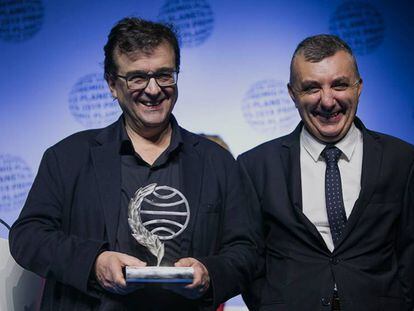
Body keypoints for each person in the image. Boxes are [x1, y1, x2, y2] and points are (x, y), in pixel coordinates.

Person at [9, 17, 256, 310]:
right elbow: (28, 236)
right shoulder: (68, 157)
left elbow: (248, 250)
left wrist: (210, 273)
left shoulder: (217, 162)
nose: (153, 90)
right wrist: (94, 262)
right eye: (137, 77)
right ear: (113, 84)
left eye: (164, 75)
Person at [238, 34, 414, 311]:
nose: (328, 101)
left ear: (359, 87)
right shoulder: (255, 166)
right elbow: (248, 256)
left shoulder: (402, 160)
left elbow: (409, 249)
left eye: (340, 85)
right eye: (311, 88)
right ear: (292, 93)